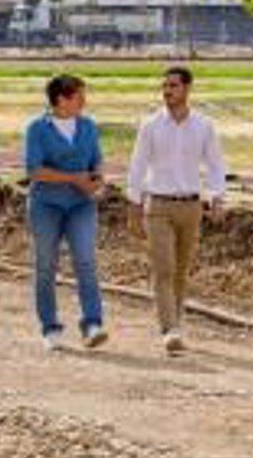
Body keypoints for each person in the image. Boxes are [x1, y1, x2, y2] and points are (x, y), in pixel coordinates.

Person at [125, 66, 227, 355]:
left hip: (191, 206)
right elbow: (137, 165)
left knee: (181, 271)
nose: (167, 91)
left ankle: (176, 323)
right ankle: (169, 329)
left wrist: (218, 196)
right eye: (164, 86)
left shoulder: (204, 126)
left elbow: (216, 164)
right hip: (157, 205)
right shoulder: (150, 125)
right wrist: (133, 205)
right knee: (164, 269)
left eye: (173, 86)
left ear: (187, 89)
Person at [24, 73, 107, 351]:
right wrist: (73, 179)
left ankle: (93, 323)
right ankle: (50, 327)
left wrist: (96, 181)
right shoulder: (37, 129)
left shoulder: (88, 127)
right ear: (62, 99)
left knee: (85, 260)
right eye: (79, 96)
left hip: (81, 204)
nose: (85, 101)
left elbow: (96, 161)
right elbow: (34, 170)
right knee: (46, 265)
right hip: (46, 205)